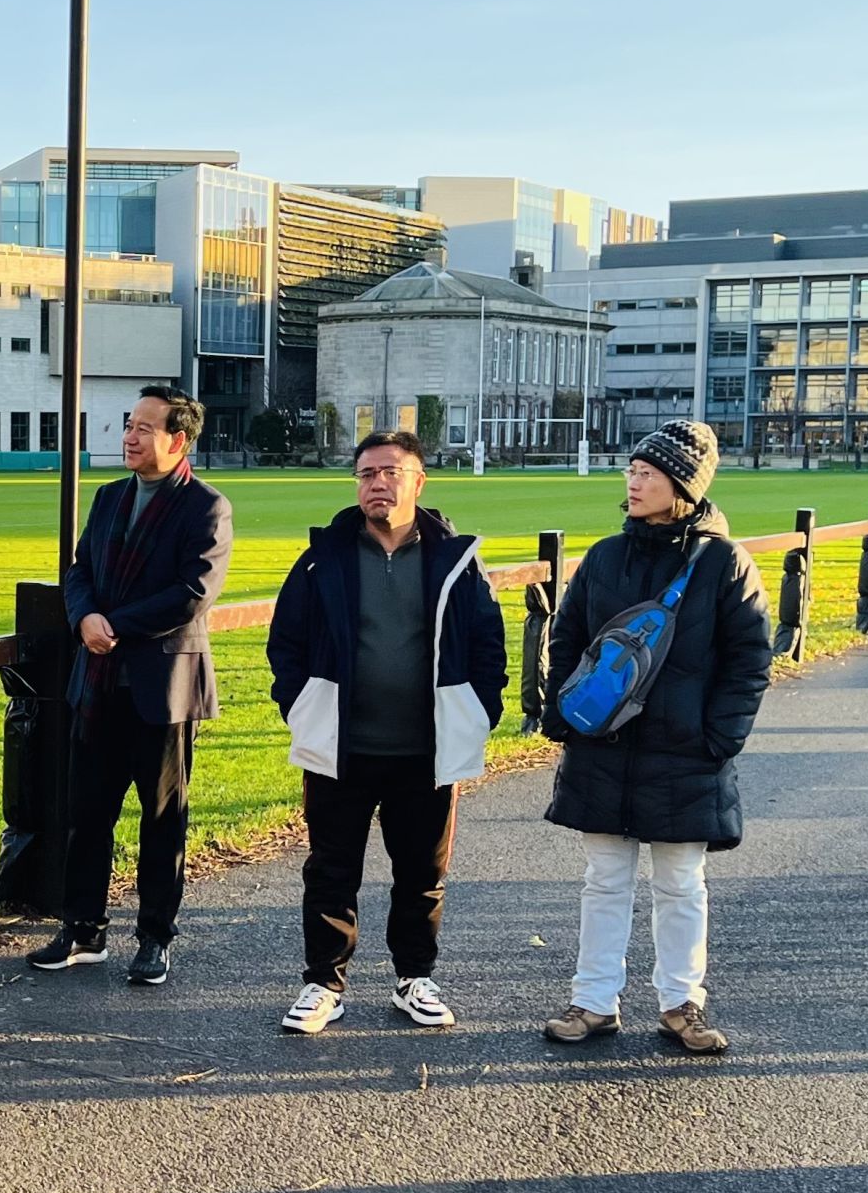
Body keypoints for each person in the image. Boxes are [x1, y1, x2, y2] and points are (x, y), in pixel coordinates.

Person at [540, 421, 771, 1054]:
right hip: (603, 746)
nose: (633, 482)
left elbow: (750, 659)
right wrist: (561, 713)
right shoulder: (604, 556)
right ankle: (593, 1003)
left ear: (683, 486)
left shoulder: (724, 563)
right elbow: (566, 638)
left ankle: (681, 1004)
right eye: (632, 471)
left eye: (647, 473)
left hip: (685, 751)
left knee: (681, 884)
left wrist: (719, 738)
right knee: (604, 880)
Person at [266, 430, 506, 1034]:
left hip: (427, 750)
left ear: (418, 481)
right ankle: (324, 984)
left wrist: (479, 711)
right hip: (340, 747)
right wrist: (301, 706)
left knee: (422, 873)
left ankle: (414, 978)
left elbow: (488, 644)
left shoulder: (455, 559)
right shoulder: (323, 558)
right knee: (330, 870)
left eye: (390, 472)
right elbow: (286, 642)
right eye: (367, 473)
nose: (377, 483)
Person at [26, 385, 233, 985]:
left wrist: (113, 624)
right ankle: (83, 930)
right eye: (128, 425)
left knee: (162, 818)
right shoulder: (110, 496)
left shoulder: (206, 507)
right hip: (96, 683)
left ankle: (155, 937)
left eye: (145, 427)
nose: (130, 437)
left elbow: (193, 592)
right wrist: (84, 617)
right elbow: (80, 571)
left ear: (179, 440)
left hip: (162, 688)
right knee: (87, 814)